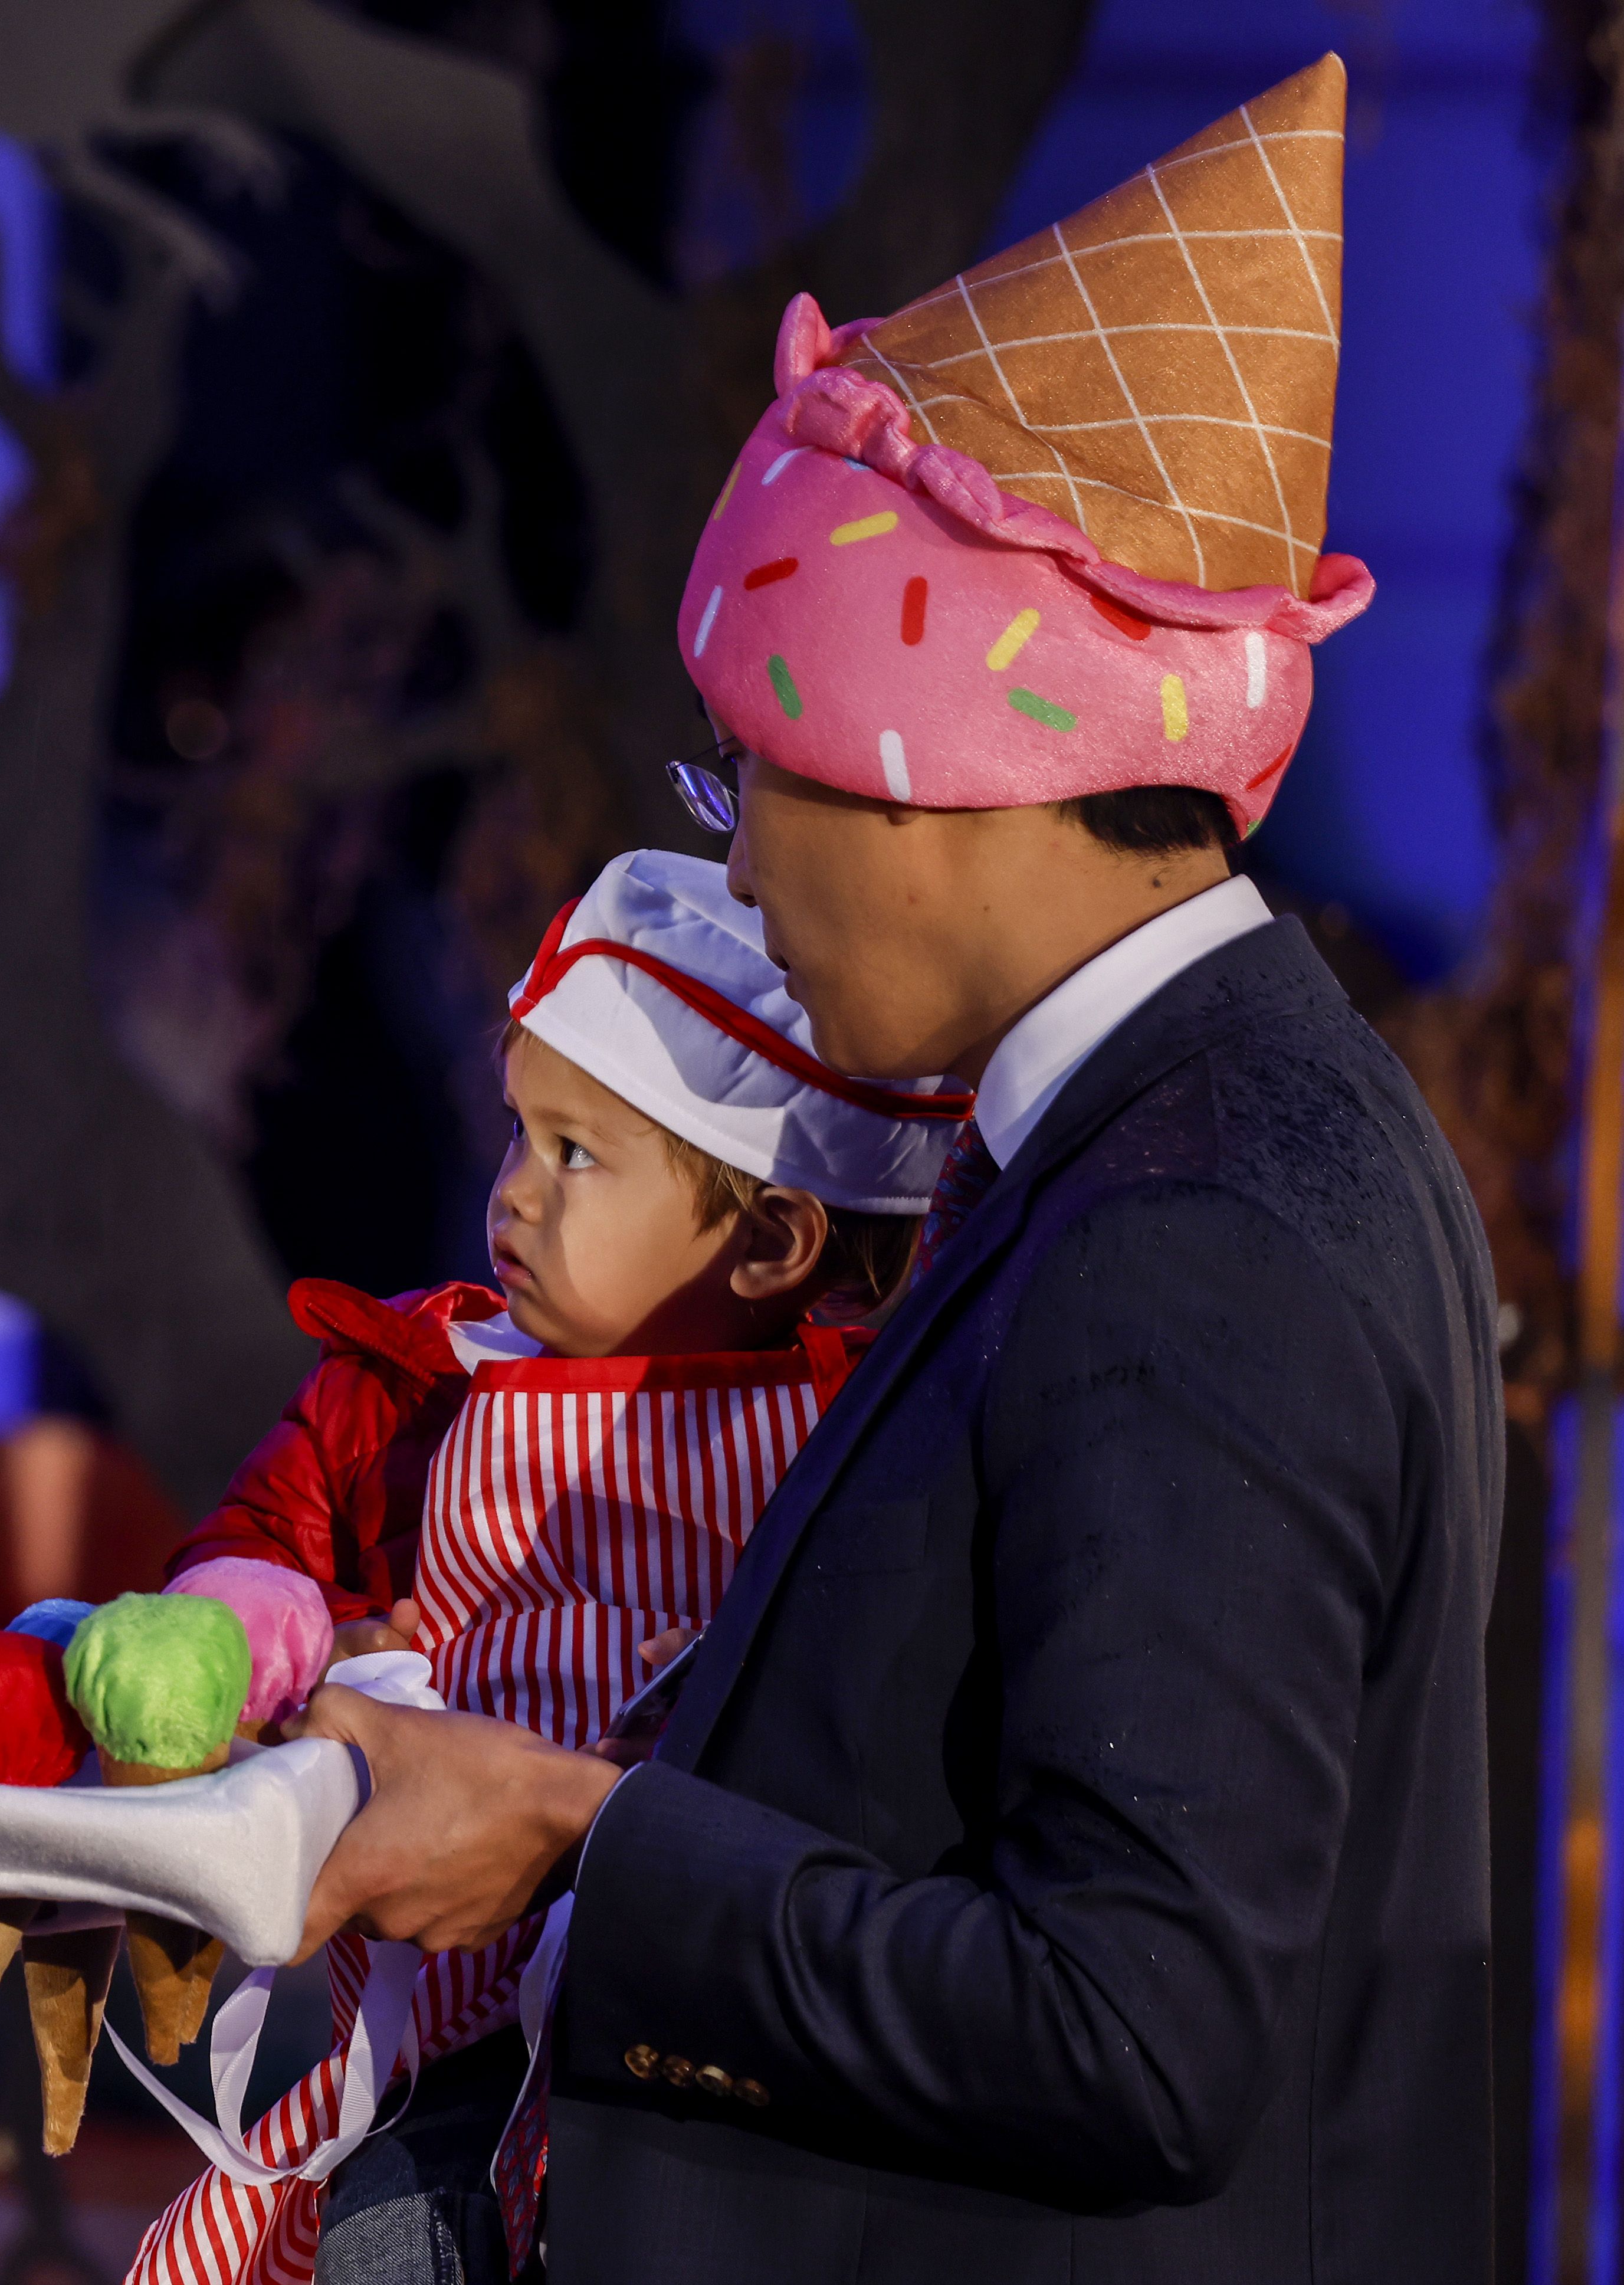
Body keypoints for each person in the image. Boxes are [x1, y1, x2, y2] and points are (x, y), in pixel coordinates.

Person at [287, 55, 1504, 2283]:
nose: (734, 861)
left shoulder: (1205, 1223)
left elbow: (1133, 2027)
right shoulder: (1184, 1125)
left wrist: (580, 1836)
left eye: (754, 779)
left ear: (934, 785)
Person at [127, 850, 955, 2285]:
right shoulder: (425, 1389)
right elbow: (265, 1531)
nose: (510, 1192)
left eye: (576, 1154)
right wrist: (263, 1629)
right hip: (445, 2045)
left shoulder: (859, 1443)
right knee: (390, 2239)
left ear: (770, 1239)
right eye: (515, 1131)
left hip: (710, 2064)